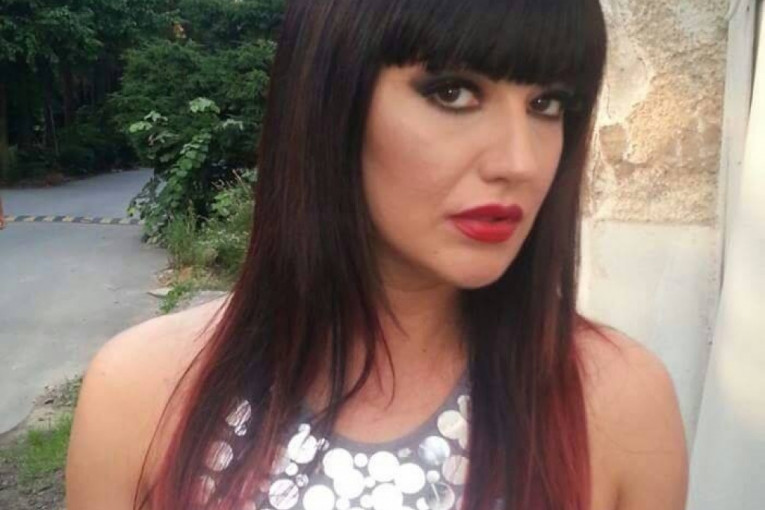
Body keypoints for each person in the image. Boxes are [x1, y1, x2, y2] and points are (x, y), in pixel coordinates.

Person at [66, 1, 688, 509]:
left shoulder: (618, 404)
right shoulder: (143, 394)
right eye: (453, 93)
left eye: (547, 104)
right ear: (329, 100)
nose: (519, 163)